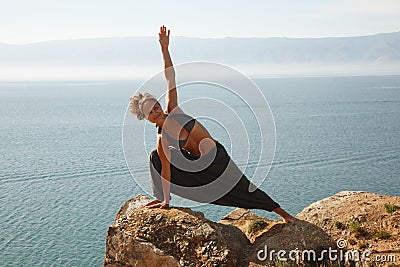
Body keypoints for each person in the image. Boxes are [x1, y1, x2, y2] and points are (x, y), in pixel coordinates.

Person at [129, 25, 295, 223]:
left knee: (244, 188)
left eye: (155, 106)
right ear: (146, 118)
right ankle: (160, 198)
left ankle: (283, 214)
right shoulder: (162, 139)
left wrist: (164, 49)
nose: (156, 112)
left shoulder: (173, 109)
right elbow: (165, 171)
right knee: (155, 158)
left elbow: (170, 77)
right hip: (198, 167)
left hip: (217, 158)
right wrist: (165, 199)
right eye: (150, 112)